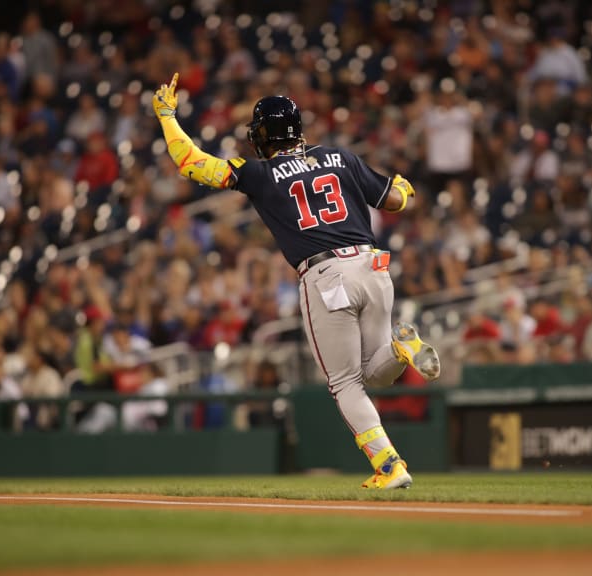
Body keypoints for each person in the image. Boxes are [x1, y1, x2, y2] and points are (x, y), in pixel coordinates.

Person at [152, 74, 440, 489]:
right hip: (373, 267)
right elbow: (395, 199)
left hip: (325, 274)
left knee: (345, 382)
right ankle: (401, 347)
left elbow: (191, 162)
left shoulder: (260, 173)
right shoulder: (341, 157)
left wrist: (167, 116)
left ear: (264, 134)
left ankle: (389, 464)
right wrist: (405, 189)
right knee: (377, 373)